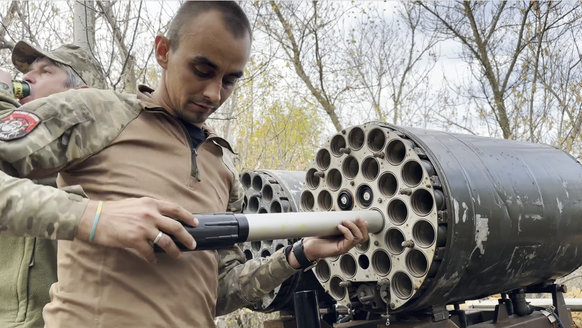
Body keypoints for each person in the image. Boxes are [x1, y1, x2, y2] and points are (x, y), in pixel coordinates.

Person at [0, 2, 369, 327]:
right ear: (163, 50)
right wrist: (94, 218)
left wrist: (298, 254)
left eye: (229, 80)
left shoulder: (221, 166)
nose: (213, 93)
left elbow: (219, 293)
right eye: (202, 70)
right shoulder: (96, 112)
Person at [0, 41, 107, 328]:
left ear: (79, 98)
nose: (27, 79)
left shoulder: (99, 158)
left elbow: (10, 150)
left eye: (45, 71)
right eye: (27, 72)